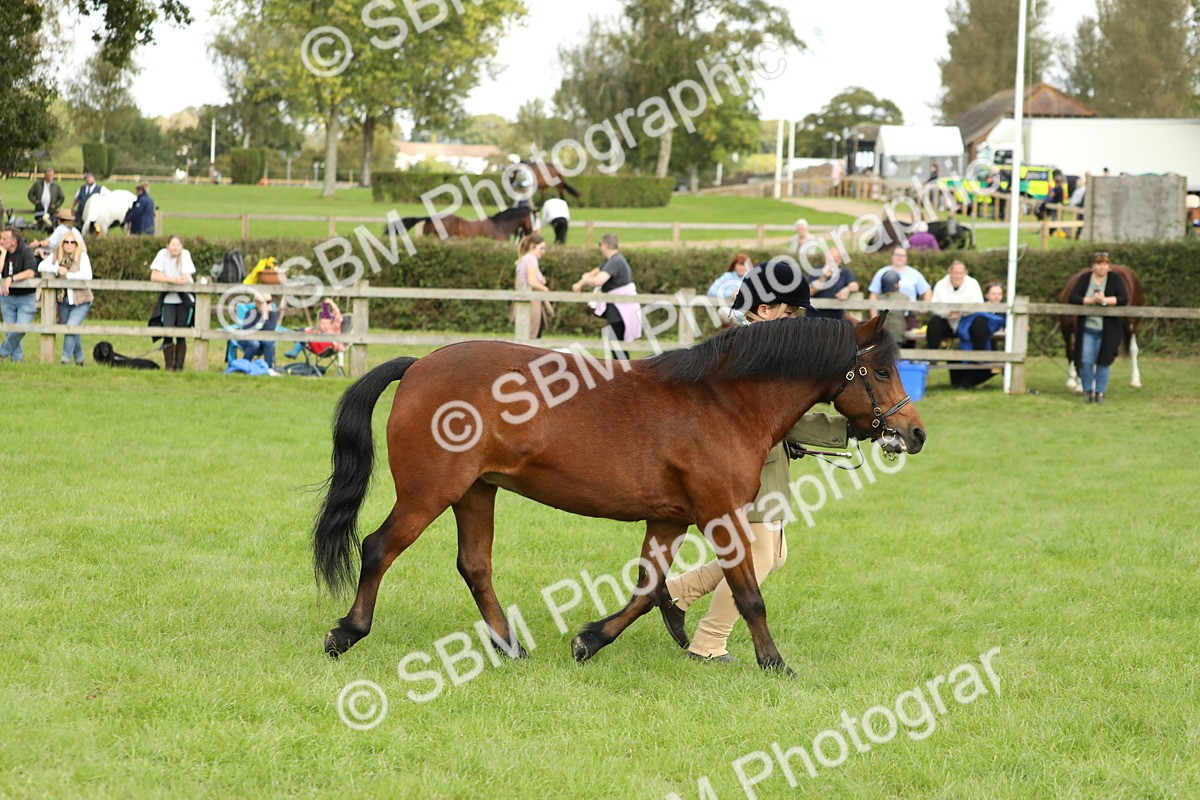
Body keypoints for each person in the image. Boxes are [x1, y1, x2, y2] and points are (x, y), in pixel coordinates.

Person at [657, 259, 852, 663]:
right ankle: (709, 644)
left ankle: (678, 592)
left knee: (775, 555)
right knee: (759, 555)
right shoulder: (754, 356)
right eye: (790, 312)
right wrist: (849, 431)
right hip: (749, 469)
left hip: (766, 463)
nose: (796, 322)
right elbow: (790, 422)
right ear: (765, 311)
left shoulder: (757, 348)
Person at [1068, 251, 1128, 404]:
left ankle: (1100, 393)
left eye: (1105, 264)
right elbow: (1073, 297)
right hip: (1087, 328)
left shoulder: (1115, 279)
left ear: (1109, 266)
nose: (1102, 267)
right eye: (1099, 264)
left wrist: (1105, 300)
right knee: (1085, 361)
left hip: (1108, 330)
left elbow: (1123, 298)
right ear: (1093, 266)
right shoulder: (1085, 279)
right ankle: (1088, 390)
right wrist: (1090, 300)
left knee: (1104, 361)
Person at [571, 233, 640, 353]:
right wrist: (580, 283)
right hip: (616, 308)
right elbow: (595, 272)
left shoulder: (616, 261)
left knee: (617, 347)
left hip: (620, 310)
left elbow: (598, 280)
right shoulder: (611, 260)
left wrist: (585, 279)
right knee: (617, 347)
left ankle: (622, 371)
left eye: (600, 244)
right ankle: (621, 370)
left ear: (605, 245)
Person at [37, 228, 93, 365]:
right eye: (66, 242)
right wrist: (57, 269)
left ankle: (65, 360)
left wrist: (67, 274)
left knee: (70, 328)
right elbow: (41, 266)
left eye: (72, 242)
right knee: (72, 330)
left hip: (81, 300)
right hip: (63, 301)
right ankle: (79, 360)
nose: (69, 245)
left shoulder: (82, 256)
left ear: (76, 244)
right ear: (62, 244)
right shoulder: (57, 255)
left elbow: (87, 275)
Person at [148, 235, 196, 371]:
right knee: (167, 332)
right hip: (168, 300)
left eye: (178, 245)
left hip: (184, 300)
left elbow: (185, 277)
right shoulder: (162, 255)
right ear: (167, 245)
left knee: (181, 333)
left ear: (181, 246)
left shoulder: (185, 255)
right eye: (173, 245)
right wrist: (172, 279)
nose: (175, 248)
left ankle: (179, 367)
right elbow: (154, 276)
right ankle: (169, 366)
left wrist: (168, 279)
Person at [951, 281, 1006, 388]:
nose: (996, 297)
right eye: (993, 293)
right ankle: (963, 383)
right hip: (974, 345)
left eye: (999, 294)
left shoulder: (1005, 311)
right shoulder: (978, 311)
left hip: (991, 347)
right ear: (987, 295)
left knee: (998, 363)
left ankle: (966, 383)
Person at [868, 246, 931, 333]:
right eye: (897, 254)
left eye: (902, 255)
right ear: (892, 257)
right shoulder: (881, 273)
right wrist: (874, 318)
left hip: (909, 316)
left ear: (906, 258)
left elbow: (927, 290)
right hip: (886, 317)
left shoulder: (914, 274)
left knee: (909, 344)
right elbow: (873, 294)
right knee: (885, 343)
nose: (899, 257)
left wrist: (924, 307)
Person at [0, 227, 40, 362]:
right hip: (7, 297)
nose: (0, 241)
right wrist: (3, 254)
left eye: (4, 239)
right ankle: (17, 360)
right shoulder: (2, 252)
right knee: (10, 329)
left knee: (21, 328)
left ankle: (2, 352)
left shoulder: (26, 251)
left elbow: (30, 272)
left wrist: (11, 278)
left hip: (26, 298)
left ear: (13, 242)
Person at [926, 260, 983, 349]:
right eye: (955, 273)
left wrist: (961, 313)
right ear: (950, 273)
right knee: (934, 322)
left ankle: (979, 358)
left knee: (979, 322)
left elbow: (978, 305)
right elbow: (935, 307)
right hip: (946, 320)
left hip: (966, 321)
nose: (958, 276)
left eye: (961, 273)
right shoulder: (940, 284)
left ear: (965, 273)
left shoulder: (973, 284)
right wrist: (948, 313)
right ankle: (932, 358)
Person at [512, 233, 552, 338]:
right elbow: (531, 281)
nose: (543, 252)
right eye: (541, 248)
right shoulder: (531, 259)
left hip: (523, 299)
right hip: (532, 301)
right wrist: (545, 289)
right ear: (532, 246)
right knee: (532, 336)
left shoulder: (523, 259)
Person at [806, 248, 858, 319]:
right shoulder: (816, 271)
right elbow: (810, 291)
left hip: (836, 319)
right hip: (814, 318)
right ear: (824, 259)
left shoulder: (845, 272)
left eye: (835, 259)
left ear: (839, 260)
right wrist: (823, 278)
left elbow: (854, 285)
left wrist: (847, 289)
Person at [236, 292, 280, 371]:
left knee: (268, 342)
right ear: (257, 303)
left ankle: (269, 368)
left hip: (264, 339)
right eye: (262, 302)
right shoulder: (251, 313)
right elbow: (247, 329)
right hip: (248, 339)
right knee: (254, 344)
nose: (265, 305)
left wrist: (264, 316)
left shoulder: (272, 314)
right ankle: (244, 366)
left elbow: (270, 330)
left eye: (268, 302)